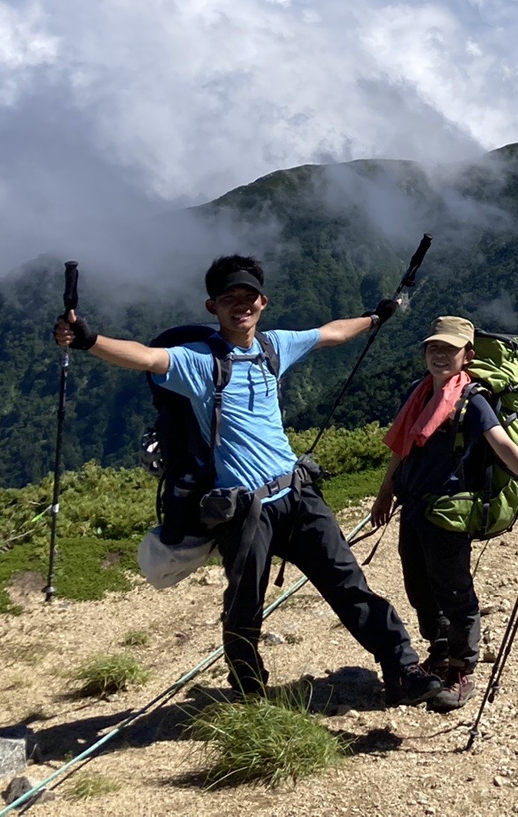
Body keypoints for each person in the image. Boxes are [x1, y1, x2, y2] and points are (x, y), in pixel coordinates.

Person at [55, 254, 440, 705]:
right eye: (228, 298)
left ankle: (402, 666)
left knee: (348, 583)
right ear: (211, 307)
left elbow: (330, 334)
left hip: (297, 494)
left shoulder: (275, 346)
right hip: (244, 510)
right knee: (244, 607)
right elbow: (144, 357)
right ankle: (248, 688)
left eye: (248, 297)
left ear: (263, 301)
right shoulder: (198, 362)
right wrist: (88, 339)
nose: (241, 305)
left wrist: (375, 317)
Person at [371, 316, 518, 713]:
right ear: (425, 353)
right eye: (433, 347)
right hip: (414, 505)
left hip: (450, 511)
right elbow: (402, 448)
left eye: (449, 349)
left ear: (467, 356)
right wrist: (385, 491)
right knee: (419, 585)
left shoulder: (472, 400)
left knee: (453, 589)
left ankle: (461, 670)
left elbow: (502, 444)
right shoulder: (417, 394)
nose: (440, 355)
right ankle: (439, 651)